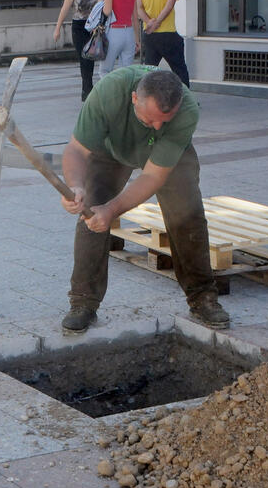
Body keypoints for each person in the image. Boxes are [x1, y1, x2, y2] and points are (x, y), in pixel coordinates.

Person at [59, 66, 230, 333]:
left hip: (168, 158)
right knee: (91, 214)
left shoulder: (186, 110)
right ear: (134, 99)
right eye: (150, 120)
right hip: (112, 149)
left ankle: (202, 297)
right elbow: (77, 150)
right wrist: (76, 186)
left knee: (188, 217)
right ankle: (83, 302)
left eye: (165, 120)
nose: (158, 126)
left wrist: (113, 209)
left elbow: (152, 176)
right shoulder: (109, 92)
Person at [136, 0, 191, 87]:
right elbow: (169, 5)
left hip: (149, 34)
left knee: (148, 70)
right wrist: (158, 22)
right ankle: (185, 99)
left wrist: (149, 22)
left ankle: (144, 97)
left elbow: (139, 8)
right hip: (168, 32)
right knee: (179, 69)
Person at [53, 0, 103, 101]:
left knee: (92, 56)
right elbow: (65, 8)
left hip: (95, 25)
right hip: (79, 25)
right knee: (83, 57)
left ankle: (88, 89)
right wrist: (57, 28)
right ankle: (87, 89)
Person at [98, 0, 141, 79]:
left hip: (113, 32)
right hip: (129, 33)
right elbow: (135, 17)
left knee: (105, 70)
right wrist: (137, 39)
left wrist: (99, 4)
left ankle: (109, 96)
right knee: (126, 71)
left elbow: (107, 11)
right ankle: (125, 96)